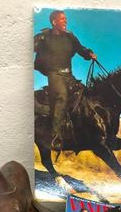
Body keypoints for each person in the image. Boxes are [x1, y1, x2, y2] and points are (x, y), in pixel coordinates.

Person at [34, 10, 97, 150]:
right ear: (54, 22)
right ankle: (55, 137)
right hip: (54, 75)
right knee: (62, 96)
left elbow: (81, 49)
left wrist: (89, 53)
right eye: (62, 19)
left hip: (69, 75)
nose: (65, 21)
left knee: (83, 94)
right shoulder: (43, 37)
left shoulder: (70, 37)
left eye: (66, 19)